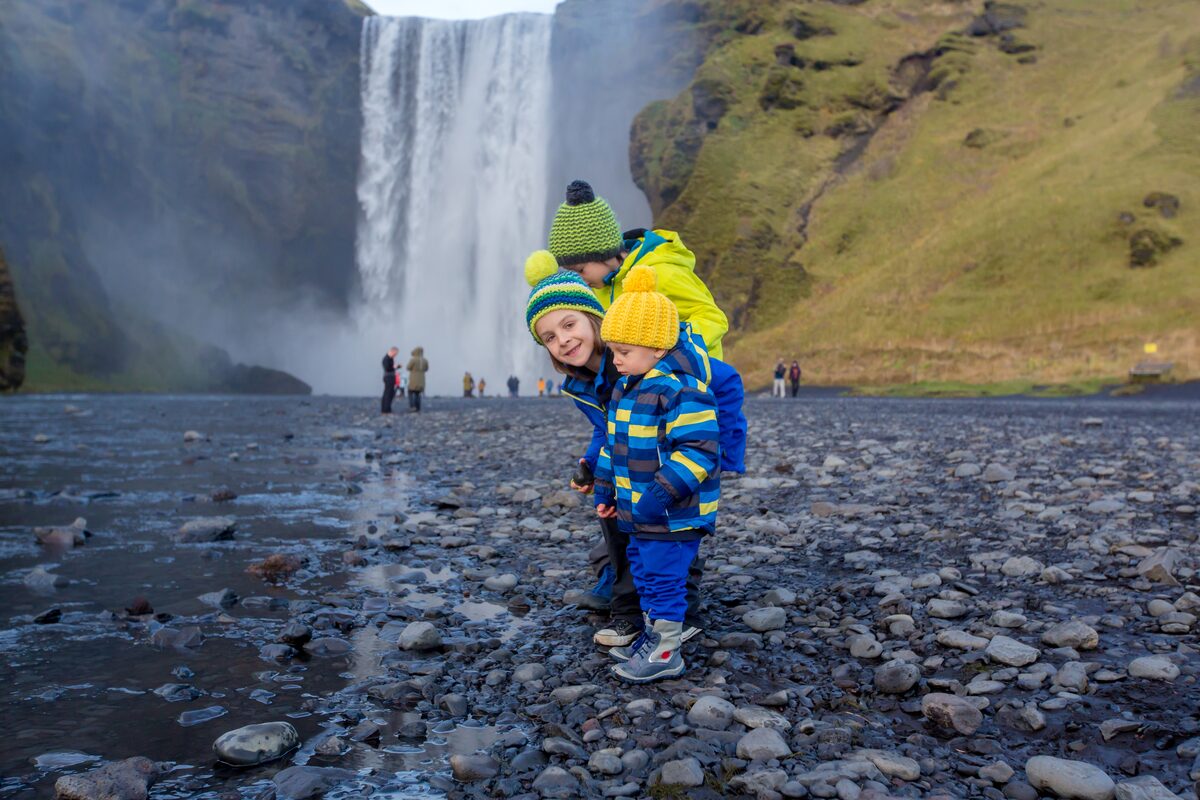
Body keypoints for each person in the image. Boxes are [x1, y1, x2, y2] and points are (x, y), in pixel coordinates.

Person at [524, 267, 707, 651]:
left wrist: (728, 447)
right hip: (627, 462)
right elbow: (606, 429)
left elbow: (711, 390)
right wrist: (591, 465)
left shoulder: (634, 357)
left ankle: (671, 612)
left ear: (594, 317)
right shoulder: (577, 383)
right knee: (613, 516)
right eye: (550, 337)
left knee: (670, 535)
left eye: (569, 324)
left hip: (668, 461)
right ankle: (630, 606)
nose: (563, 340)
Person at [537, 179, 745, 473]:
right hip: (642, 382)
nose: (579, 279)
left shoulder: (660, 270)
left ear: (606, 251)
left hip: (688, 378)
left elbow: (712, 317)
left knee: (689, 458)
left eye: (580, 270)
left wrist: (669, 349)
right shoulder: (595, 291)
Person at [592, 265, 720, 683]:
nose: (616, 360)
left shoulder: (680, 390)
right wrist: (606, 489)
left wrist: (660, 495)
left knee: (664, 580)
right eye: (613, 351)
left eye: (624, 352)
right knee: (645, 574)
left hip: (672, 514)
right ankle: (653, 637)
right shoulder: (626, 389)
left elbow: (699, 451)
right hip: (638, 513)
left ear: (657, 348)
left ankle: (667, 651)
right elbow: (615, 446)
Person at [407, 347, 428, 412]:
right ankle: (418, 407)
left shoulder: (413, 360)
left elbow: (408, 367)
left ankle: (412, 406)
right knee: (418, 393)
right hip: (421, 379)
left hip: (413, 378)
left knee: (410, 392)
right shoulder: (425, 360)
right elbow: (426, 369)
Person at [381, 347, 399, 414]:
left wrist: (395, 367)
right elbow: (387, 367)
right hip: (388, 377)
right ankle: (385, 409)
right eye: (395, 354)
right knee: (388, 393)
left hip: (390, 377)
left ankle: (387, 408)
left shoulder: (390, 359)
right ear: (392, 351)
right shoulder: (386, 359)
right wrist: (394, 367)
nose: (395, 355)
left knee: (390, 393)